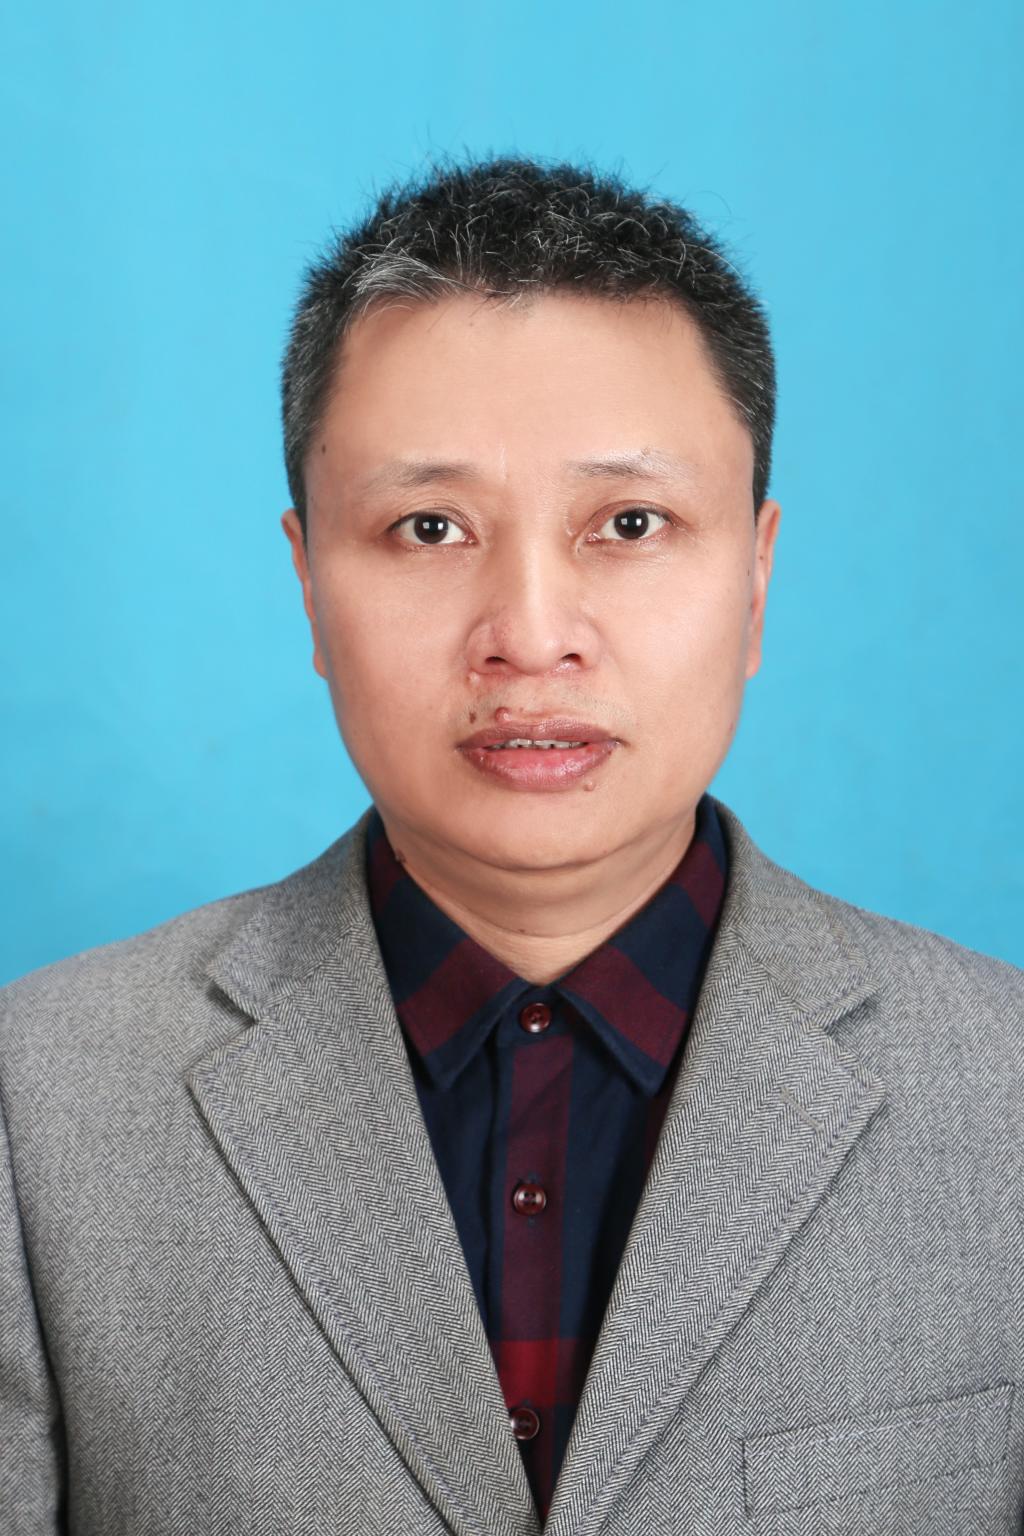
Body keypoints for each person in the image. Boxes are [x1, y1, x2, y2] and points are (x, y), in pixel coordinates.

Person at [1, 154, 1022, 1536]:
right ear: (307, 582)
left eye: (631, 523)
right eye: (429, 527)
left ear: (757, 574)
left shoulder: (1002, 1096)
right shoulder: (39, 1105)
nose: (531, 635)